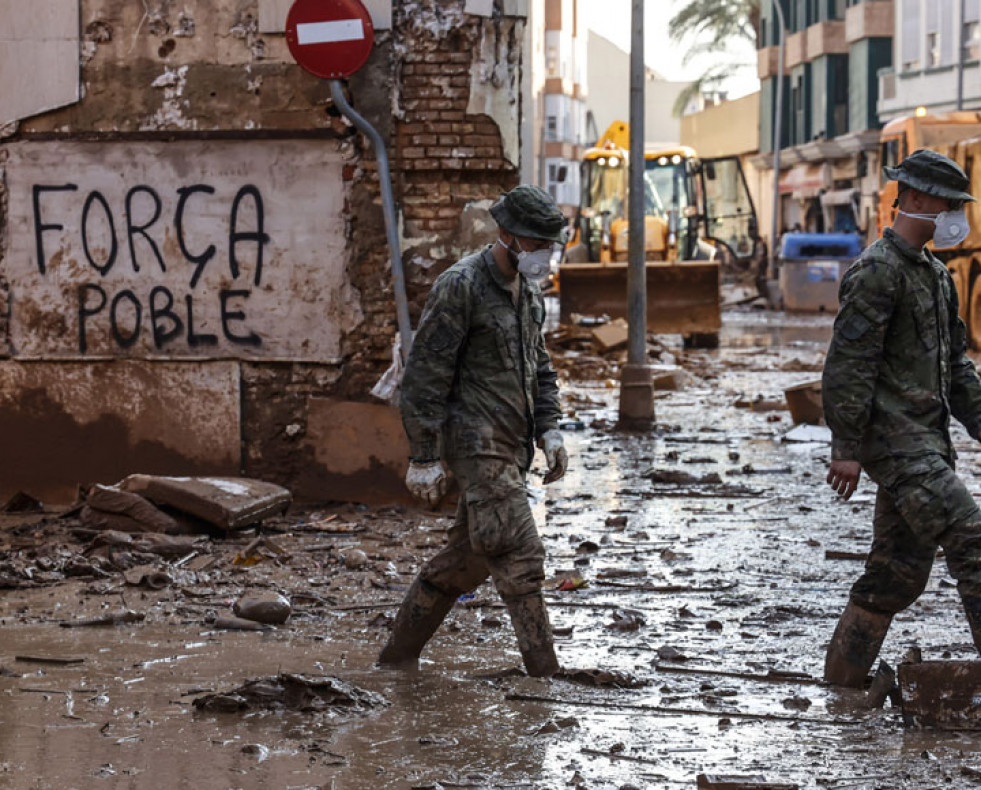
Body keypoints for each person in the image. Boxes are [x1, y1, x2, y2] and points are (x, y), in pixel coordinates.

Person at [378, 185, 569, 677]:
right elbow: (424, 375)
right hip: (474, 443)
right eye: (536, 244)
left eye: (551, 245)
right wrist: (423, 455)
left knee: (465, 562)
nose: (545, 255)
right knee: (519, 553)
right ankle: (545, 677)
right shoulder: (459, 286)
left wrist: (550, 430)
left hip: (512, 446)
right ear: (505, 236)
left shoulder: (528, 293)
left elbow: (539, 368)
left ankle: (396, 661)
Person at [822, 149, 981, 686]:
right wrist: (846, 447)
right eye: (949, 204)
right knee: (972, 540)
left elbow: (956, 367)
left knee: (896, 574)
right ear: (914, 199)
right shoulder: (876, 272)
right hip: (896, 447)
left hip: (926, 446)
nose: (957, 215)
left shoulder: (936, 276)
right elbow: (849, 364)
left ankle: (842, 684)